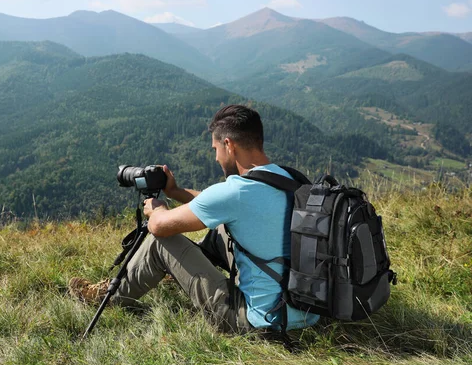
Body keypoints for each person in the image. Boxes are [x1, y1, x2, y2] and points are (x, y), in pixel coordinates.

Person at [70, 104, 319, 333]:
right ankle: (176, 272)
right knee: (222, 225)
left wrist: (156, 209)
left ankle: (107, 297)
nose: (216, 158)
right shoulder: (289, 178)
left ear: (229, 145)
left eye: (216, 149)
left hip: (258, 321)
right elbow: (216, 203)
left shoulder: (236, 192)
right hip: (307, 311)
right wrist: (175, 192)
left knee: (160, 242)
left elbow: (159, 226)